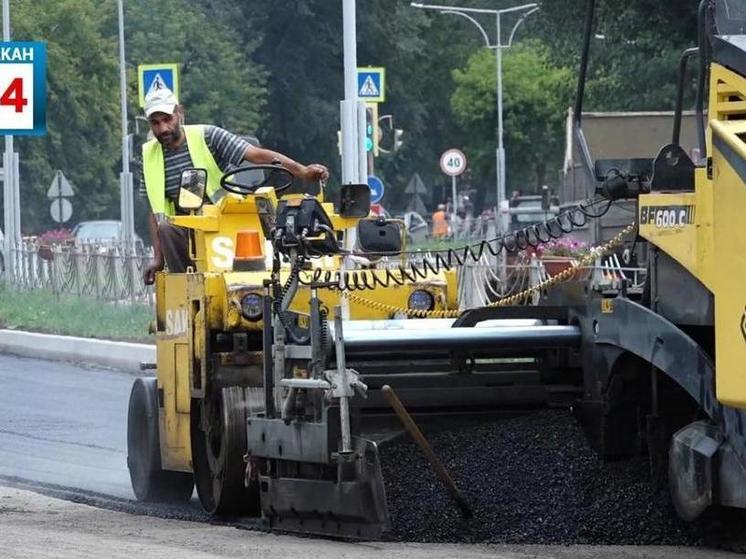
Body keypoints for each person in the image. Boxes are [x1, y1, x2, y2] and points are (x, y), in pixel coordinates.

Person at [139, 87, 329, 284]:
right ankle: (186, 290)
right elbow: (154, 212)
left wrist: (302, 171)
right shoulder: (148, 157)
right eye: (155, 123)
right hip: (188, 231)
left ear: (180, 113)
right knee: (166, 228)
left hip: (228, 223)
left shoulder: (208, 136)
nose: (162, 128)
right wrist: (158, 259)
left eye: (167, 119)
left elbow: (257, 155)